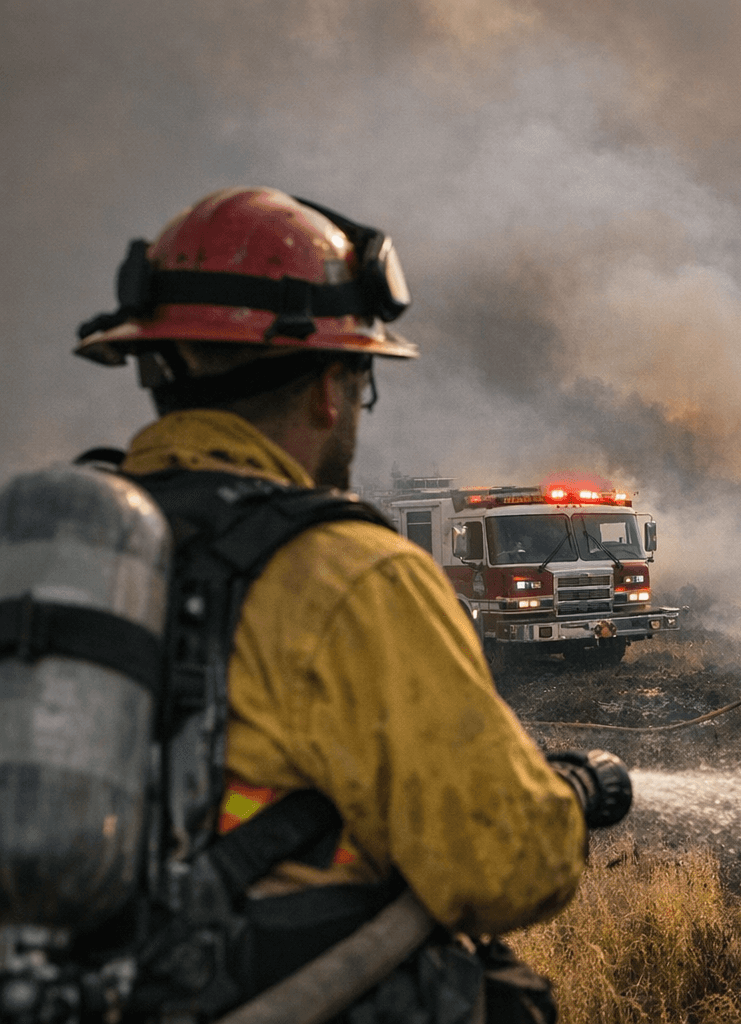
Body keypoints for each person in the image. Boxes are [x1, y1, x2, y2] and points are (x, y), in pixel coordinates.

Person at [71, 187, 591, 1020]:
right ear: (329, 386)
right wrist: (570, 799)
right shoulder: (350, 573)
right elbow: (505, 869)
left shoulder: (56, 559)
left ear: (155, 365)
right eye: (360, 383)